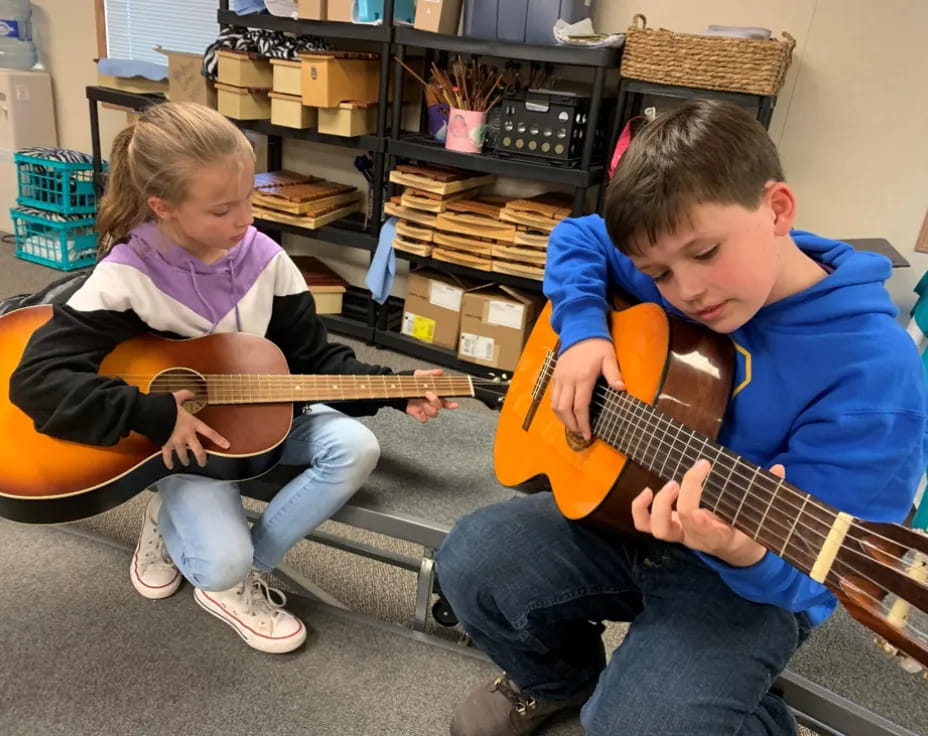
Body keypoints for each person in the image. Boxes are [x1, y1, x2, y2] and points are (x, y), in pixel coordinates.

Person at [435, 99, 928, 735]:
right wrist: (584, 331)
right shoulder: (674, 259)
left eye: (706, 252)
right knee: (470, 558)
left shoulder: (872, 371)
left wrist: (742, 551)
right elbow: (577, 236)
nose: (687, 290)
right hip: (630, 509)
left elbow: (816, 579)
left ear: (777, 209)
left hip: (754, 577)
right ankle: (554, 683)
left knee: (636, 726)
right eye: (657, 272)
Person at [10, 101, 455, 655]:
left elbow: (313, 361)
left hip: (263, 418)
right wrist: (154, 413)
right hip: (185, 443)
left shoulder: (266, 259)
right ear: (162, 207)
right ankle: (191, 534)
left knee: (355, 447)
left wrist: (394, 389)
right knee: (216, 562)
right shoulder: (125, 277)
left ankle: (244, 572)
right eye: (222, 210)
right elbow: (36, 379)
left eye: (248, 198)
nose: (244, 220)